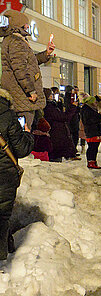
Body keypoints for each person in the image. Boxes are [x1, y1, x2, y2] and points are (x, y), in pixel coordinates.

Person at [0, 10, 55, 128]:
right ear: (19, 24)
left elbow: (28, 62)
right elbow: (20, 69)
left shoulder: (13, 40)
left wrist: (46, 54)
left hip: (20, 96)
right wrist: (31, 91)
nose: (28, 26)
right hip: (22, 98)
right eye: (26, 24)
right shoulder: (16, 41)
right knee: (23, 134)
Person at [0, 88, 34, 259]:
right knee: (2, 216)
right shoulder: (8, 115)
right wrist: (27, 134)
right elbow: (21, 148)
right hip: (4, 175)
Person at [43, 88, 79, 162]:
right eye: (51, 94)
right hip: (55, 137)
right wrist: (73, 107)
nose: (53, 96)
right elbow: (63, 117)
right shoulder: (49, 107)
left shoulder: (51, 105)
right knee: (55, 161)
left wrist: (59, 104)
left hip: (57, 136)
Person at [80, 95, 101, 169]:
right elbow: (89, 120)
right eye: (95, 102)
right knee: (93, 147)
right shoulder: (87, 110)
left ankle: (92, 161)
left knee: (94, 147)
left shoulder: (88, 108)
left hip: (93, 130)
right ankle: (91, 162)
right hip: (92, 131)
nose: (96, 103)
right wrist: (99, 116)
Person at [64, 86, 81, 155]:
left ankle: (72, 150)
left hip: (71, 118)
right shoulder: (71, 98)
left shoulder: (67, 98)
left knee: (71, 135)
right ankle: (72, 150)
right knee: (74, 135)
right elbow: (73, 108)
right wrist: (77, 107)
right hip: (73, 118)